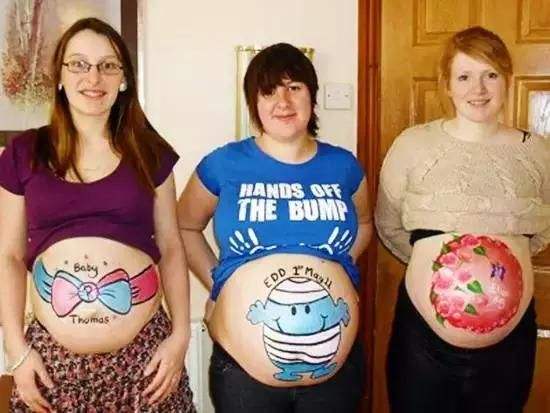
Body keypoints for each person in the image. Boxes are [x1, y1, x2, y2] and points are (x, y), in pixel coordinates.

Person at [0, 18, 195, 412]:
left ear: (123, 79)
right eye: (79, 64)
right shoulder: (23, 153)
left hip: (145, 358)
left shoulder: (151, 153)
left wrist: (179, 338)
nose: (93, 77)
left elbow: (172, 248)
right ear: (59, 76)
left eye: (108, 65)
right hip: (52, 363)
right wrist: (16, 348)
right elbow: (9, 256)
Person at [177, 43, 373, 412]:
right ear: (254, 102)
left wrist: (339, 269)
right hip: (243, 374)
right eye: (269, 91)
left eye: (294, 87)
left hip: (336, 372)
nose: (283, 101)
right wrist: (219, 281)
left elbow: (364, 223)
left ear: (312, 96)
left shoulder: (344, 166)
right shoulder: (223, 164)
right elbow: (185, 226)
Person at [376, 26, 550, 413]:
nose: (479, 89)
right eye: (465, 76)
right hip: (422, 343)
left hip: (509, 348)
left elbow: (545, 228)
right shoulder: (412, 145)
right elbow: (389, 225)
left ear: (507, 80)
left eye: (491, 75)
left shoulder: (538, 152)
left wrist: (507, 261)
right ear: (447, 84)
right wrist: (437, 268)